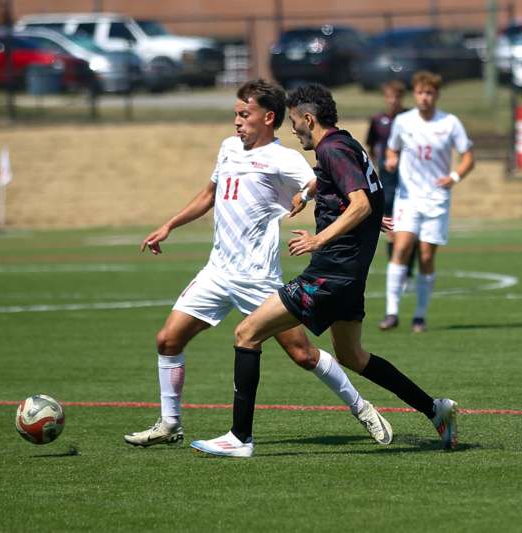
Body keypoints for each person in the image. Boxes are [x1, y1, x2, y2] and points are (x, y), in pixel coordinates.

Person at [190, 84, 458, 458]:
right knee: (352, 356)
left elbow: (361, 203)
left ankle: (240, 438)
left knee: (247, 333)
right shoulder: (345, 144)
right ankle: (435, 409)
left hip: (329, 274)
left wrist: (320, 239)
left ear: (309, 119)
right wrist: (309, 195)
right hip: (349, 277)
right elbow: (360, 190)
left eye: (296, 122)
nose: (293, 130)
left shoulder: (331, 148)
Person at [124, 79, 393, 448]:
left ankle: (362, 408)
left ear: (268, 118)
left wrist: (368, 214)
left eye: (243, 114)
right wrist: (169, 225)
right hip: (217, 271)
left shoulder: (286, 158)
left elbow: (330, 186)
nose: (236, 121)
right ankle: (170, 423)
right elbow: (209, 195)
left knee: (302, 353)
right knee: (168, 340)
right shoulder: (228, 149)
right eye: (235, 114)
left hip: (258, 277)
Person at [383, 71, 475, 333]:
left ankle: (419, 316)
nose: (424, 98)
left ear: (436, 95)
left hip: (436, 199)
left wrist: (454, 176)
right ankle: (391, 313)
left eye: (430, 93)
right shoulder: (403, 121)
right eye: (421, 93)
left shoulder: (450, 123)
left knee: (425, 255)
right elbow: (392, 148)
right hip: (408, 197)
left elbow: (469, 157)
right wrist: (391, 158)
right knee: (401, 247)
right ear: (415, 94)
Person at [365, 81, 417, 331]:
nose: (393, 101)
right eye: (389, 96)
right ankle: (399, 268)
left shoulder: (410, 118)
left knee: (410, 229)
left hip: (409, 180)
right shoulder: (378, 121)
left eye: (397, 96)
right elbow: (371, 144)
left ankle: (407, 271)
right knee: (390, 228)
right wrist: (380, 165)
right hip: (386, 179)